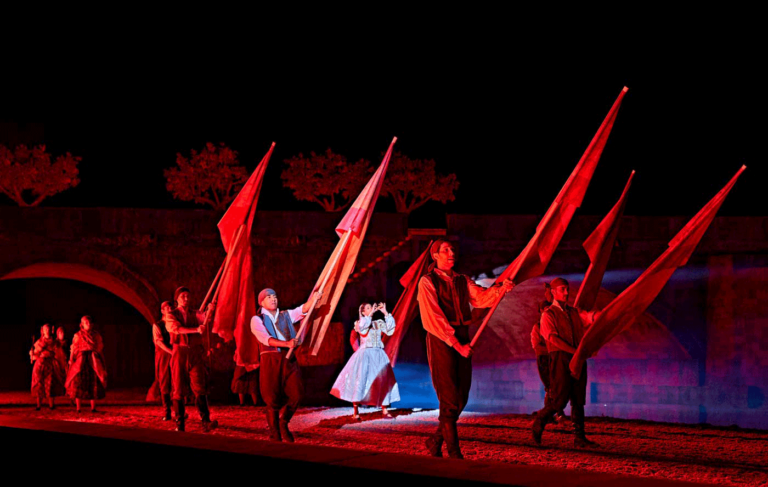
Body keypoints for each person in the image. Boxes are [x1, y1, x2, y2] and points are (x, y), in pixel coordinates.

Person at [417, 239, 515, 459]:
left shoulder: (462, 280)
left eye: (453, 249)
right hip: (442, 338)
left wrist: (501, 289)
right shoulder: (427, 282)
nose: (451, 252)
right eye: (446, 250)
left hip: (462, 336)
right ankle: (454, 453)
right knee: (449, 397)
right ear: (435, 256)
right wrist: (456, 344)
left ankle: (435, 440)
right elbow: (432, 317)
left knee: (461, 397)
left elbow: (481, 299)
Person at [531, 277, 597, 448]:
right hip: (561, 358)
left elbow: (589, 317)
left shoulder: (574, 312)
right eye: (562, 289)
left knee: (578, 398)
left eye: (567, 289)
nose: (567, 293)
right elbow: (552, 339)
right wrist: (574, 352)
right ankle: (540, 420)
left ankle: (579, 437)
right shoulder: (548, 314)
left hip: (577, 357)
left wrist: (604, 316)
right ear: (553, 292)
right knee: (559, 400)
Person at [250, 288, 320, 442]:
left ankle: (283, 422)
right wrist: (286, 343)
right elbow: (265, 339)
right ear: (261, 302)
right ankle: (275, 433)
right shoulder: (257, 319)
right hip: (270, 359)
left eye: (275, 296)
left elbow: (302, 309)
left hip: (288, 359)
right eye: (269, 297)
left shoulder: (285, 315)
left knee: (297, 393)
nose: (273, 299)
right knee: (272, 396)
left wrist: (314, 298)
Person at [330, 301, 399, 419]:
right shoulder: (360, 323)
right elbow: (362, 328)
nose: (371, 308)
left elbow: (390, 330)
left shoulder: (378, 323)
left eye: (371, 306)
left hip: (378, 354)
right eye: (368, 308)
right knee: (360, 380)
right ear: (363, 312)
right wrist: (369, 315)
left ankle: (384, 409)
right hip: (365, 354)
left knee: (381, 380)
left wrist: (385, 313)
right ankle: (356, 411)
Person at [164, 286, 216, 432]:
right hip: (179, 352)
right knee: (178, 387)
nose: (186, 298)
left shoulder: (195, 313)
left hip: (195, 353)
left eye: (188, 296)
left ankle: (205, 421)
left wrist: (210, 311)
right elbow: (176, 329)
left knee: (200, 386)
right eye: (183, 296)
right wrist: (195, 329)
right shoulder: (171, 314)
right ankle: (180, 423)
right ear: (177, 299)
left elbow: (205, 319)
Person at [530, 284, 565, 421]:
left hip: (553, 357)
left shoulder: (553, 324)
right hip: (544, 358)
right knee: (550, 386)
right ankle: (551, 413)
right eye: (544, 309)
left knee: (556, 385)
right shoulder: (537, 327)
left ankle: (553, 412)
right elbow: (536, 346)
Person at [66, 316, 107, 413]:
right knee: (78, 384)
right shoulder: (78, 335)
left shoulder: (96, 335)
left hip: (93, 360)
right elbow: (74, 349)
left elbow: (99, 347)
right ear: (82, 324)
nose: (88, 324)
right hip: (81, 360)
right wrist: (71, 359)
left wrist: (99, 357)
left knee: (93, 383)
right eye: (86, 322)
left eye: (89, 322)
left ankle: (93, 407)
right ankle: (78, 408)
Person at [148, 301, 174, 420]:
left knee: (177, 381)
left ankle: (179, 410)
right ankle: (167, 411)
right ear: (162, 311)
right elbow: (159, 342)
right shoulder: (157, 325)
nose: (169, 309)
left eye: (171, 307)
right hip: (164, 356)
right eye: (167, 308)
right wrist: (171, 351)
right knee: (165, 382)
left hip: (175, 354)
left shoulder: (175, 323)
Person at [30, 324, 61, 410]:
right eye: (45, 329)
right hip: (40, 364)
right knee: (39, 384)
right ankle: (38, 405)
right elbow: (35, 354)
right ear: (42, 331)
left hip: (51, 364)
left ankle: (51, 405)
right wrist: (33, 355)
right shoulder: (39, 342)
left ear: (51, 330)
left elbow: (59, 352)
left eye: (49, 329)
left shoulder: (55, 342)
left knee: (51, 384)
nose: (47, 330)